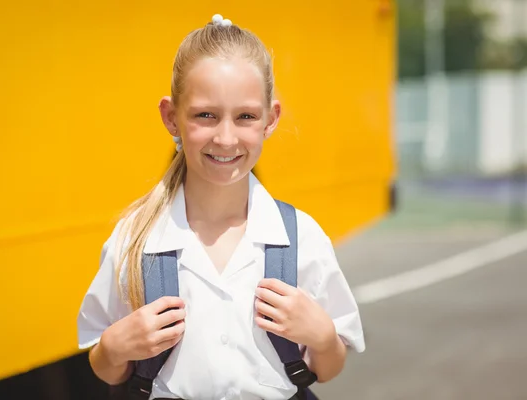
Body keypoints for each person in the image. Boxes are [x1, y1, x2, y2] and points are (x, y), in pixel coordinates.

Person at [77, 13, 365, 400]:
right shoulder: (134, 240)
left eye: (245, 116)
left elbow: (328, 368)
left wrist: (323, 336)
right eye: (205, 115)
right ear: (171, 117)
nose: (226, 138)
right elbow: (106, 368)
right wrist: (114, 347)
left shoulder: (303, 237)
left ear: (270, 119)